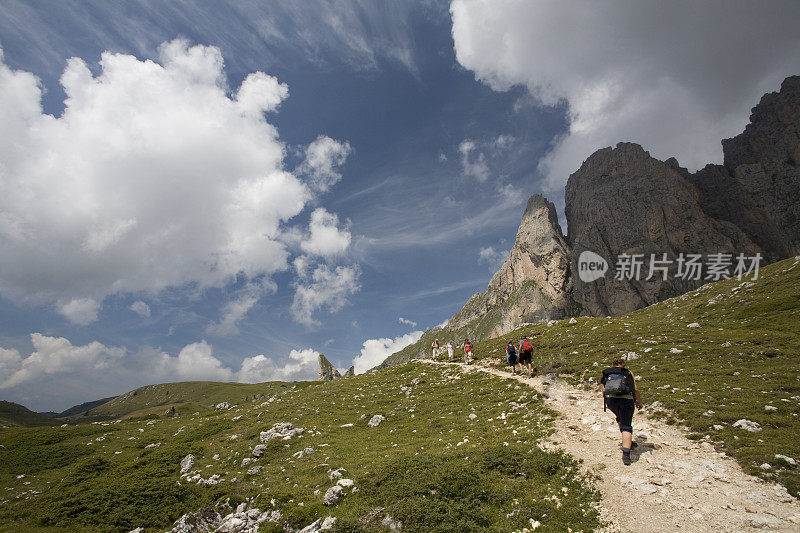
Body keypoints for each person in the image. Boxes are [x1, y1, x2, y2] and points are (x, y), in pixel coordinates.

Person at [601, 356, 644, 465]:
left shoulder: (607, 373)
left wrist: (608, 401)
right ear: (623, 364)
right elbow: (635, 389)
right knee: (626, 426)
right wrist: (639, 402)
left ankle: (627, 442)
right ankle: (626, 454)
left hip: (611, 401)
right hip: (626, 401)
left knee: (620, 417)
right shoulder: (627, 372)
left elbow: (604, 390)